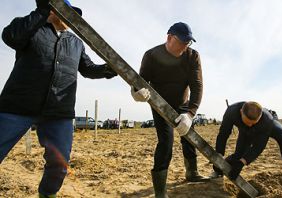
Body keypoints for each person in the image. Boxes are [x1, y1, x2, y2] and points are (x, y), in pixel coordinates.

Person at [0, 0, 117, 197]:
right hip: (18, 105)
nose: (70, 18)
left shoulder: (76, 42)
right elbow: (11, 37)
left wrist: (108, 69)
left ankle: (47, 194)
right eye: (67, 12)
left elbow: (87, 69)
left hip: (58, 111)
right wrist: (43, 12)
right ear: (54, 10)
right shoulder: (32, 28)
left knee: (59, 163)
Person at [131, 22, 208, 197]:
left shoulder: (192, 56)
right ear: (169, 37)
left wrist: (190, 113)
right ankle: (160, 191)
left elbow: (197, 86)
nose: (185, 46)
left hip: (183, 104)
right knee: (166, 143)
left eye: (188, 42)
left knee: (190, 137)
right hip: (160, 104)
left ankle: (192, 172)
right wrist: (136, 93)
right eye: (182, 41)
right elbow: (140, 83)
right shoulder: (151, 55)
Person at [212, 101, 282, 198]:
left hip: (265, 126)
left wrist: (243, 162)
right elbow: (223, 134)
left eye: (253, 123)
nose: (250, 125)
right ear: (241, 111)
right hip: (244, 129)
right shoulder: (231, 112)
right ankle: (218, 171)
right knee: (239, 154)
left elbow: (258, 147)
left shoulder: (266, 120)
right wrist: (219, 157)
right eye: (248, 122)